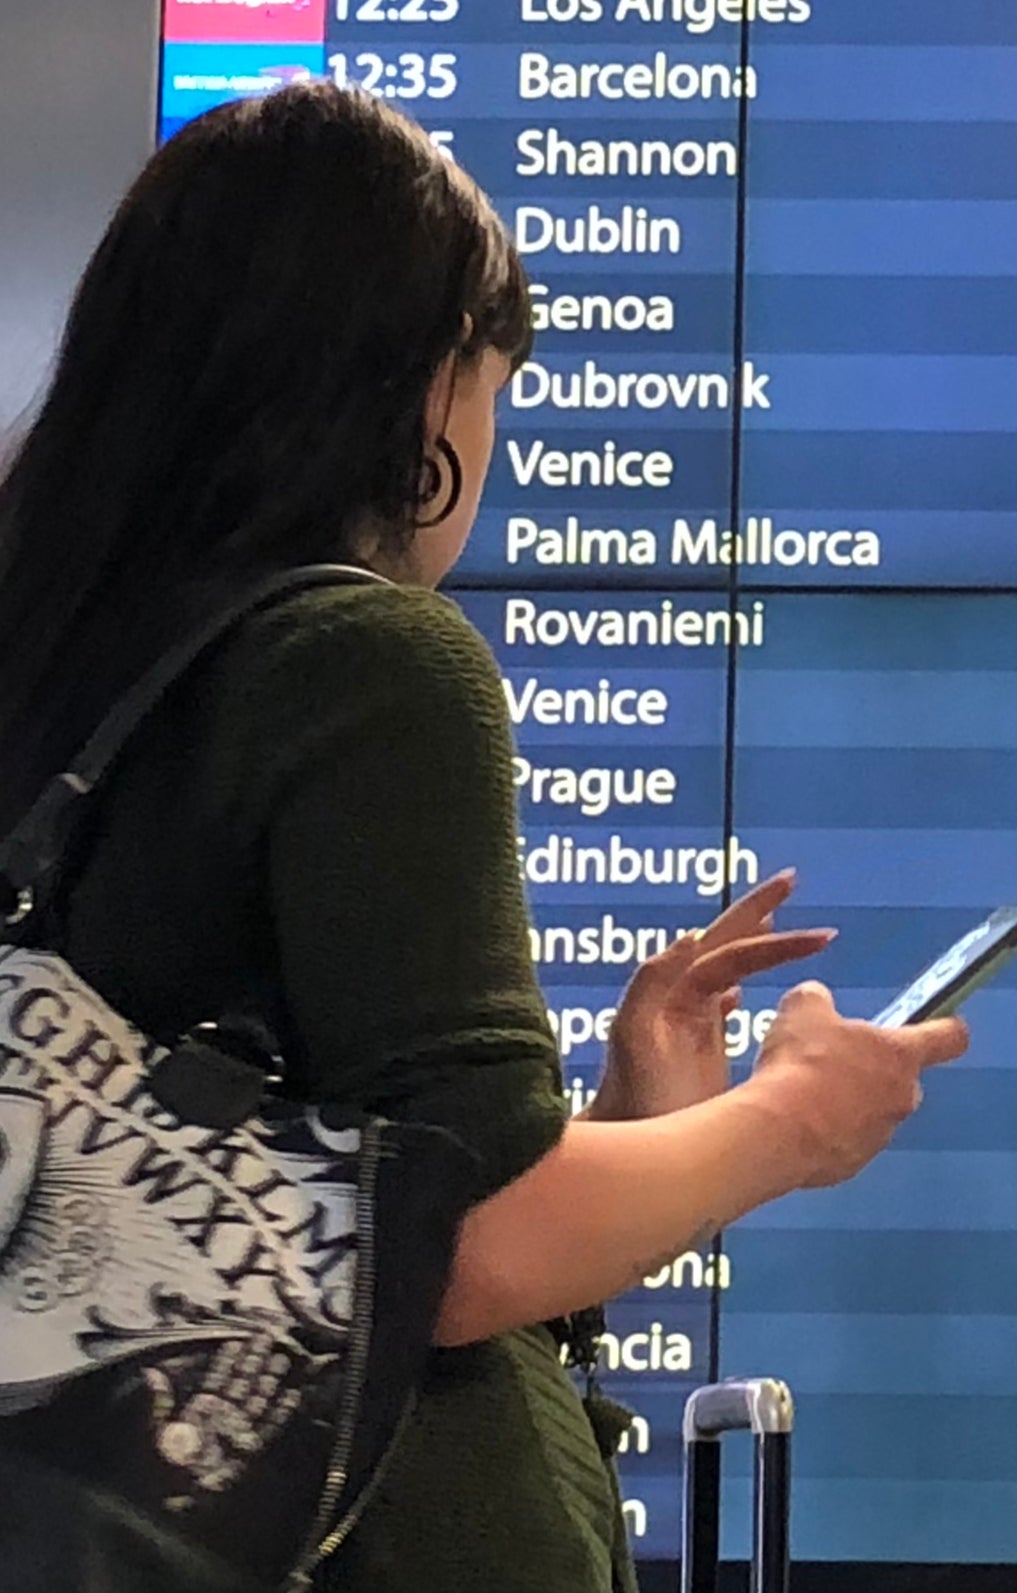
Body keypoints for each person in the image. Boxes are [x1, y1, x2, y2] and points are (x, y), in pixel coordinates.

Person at [0, 81, 967, 1592]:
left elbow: (310, 1241)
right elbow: (464, 1257)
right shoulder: (366, 661)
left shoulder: (50, 658)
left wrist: (642, 1123)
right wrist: (787, 1121)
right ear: (414, 388)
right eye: (496, 380)